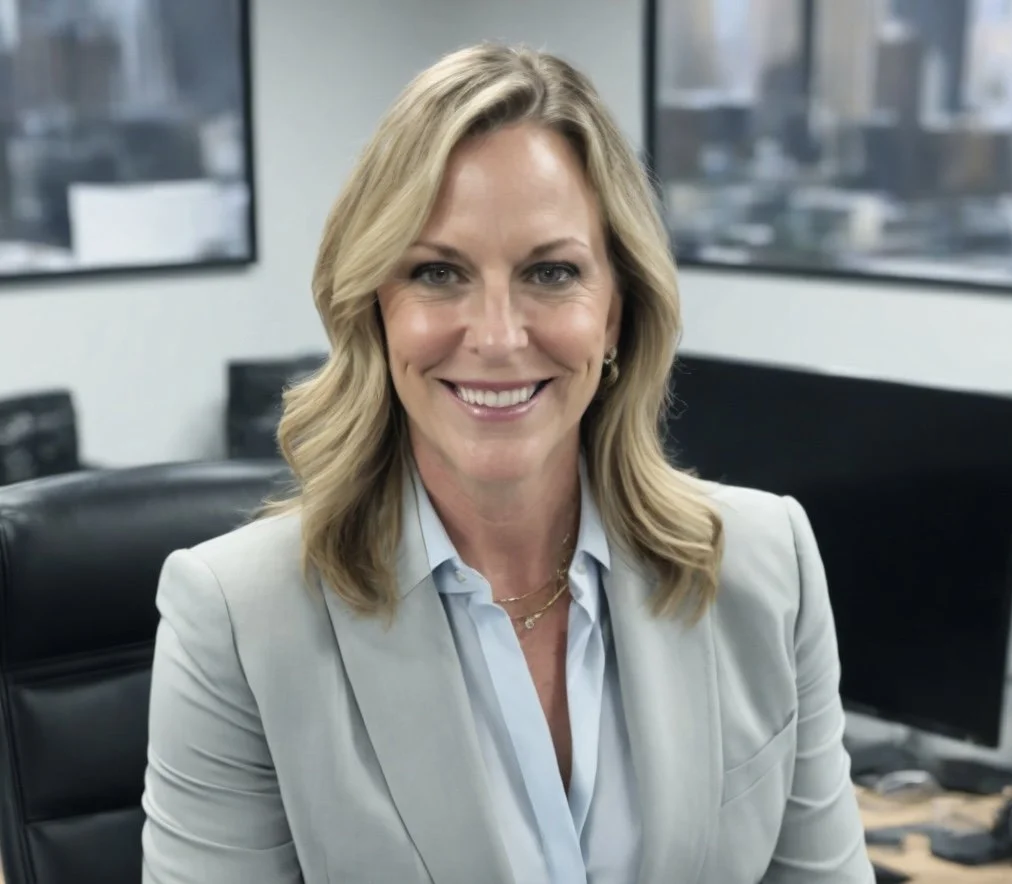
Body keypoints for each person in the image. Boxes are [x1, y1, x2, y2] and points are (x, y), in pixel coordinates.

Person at [141, 43, 872, 884]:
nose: (495, 337)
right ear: (376, 308)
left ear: (614, 314)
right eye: (437, 272)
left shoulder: (764, 564)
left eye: (551, 272)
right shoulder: (238, 618)